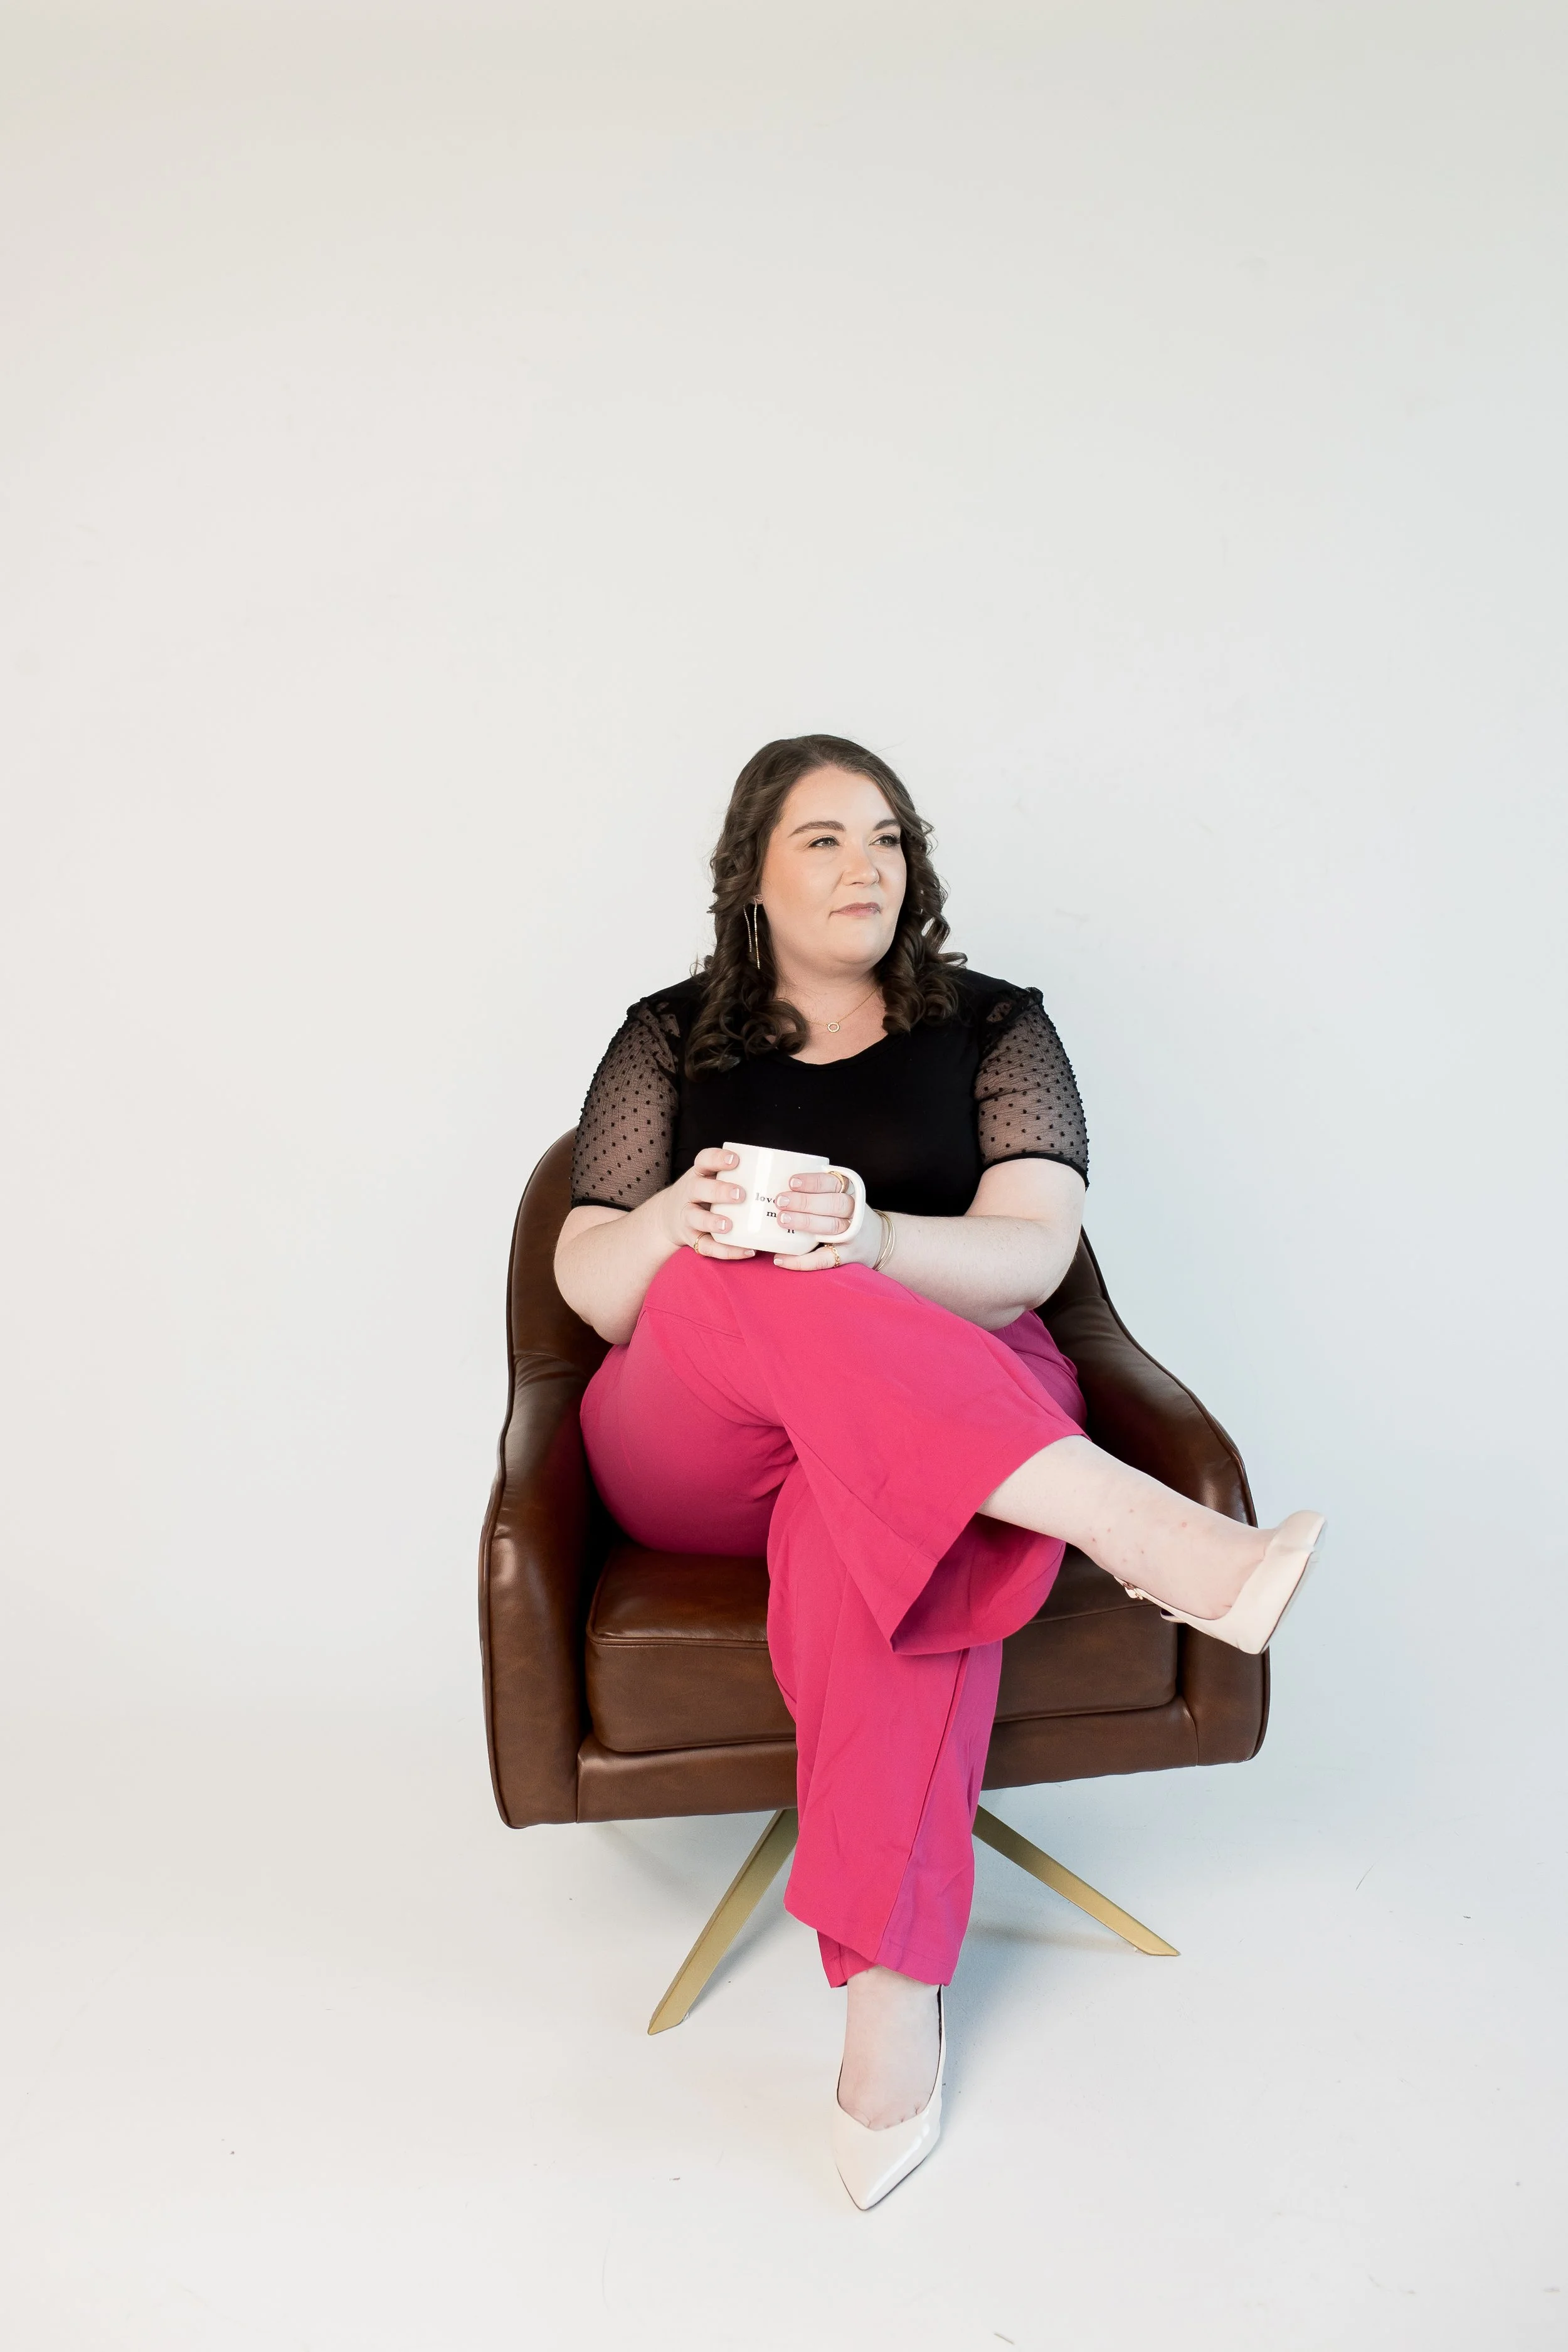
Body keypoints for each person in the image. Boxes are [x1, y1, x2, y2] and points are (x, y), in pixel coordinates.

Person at [554, 733, 1323, 2208]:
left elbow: (1035, 1254)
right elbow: (594, 1287)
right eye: (824, 840)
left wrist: (876, 1242)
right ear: (752, 878)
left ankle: (890, 1995)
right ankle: (1144, 1530)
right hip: (697, 1429)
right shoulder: (664, 1039)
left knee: (877, 1541)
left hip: (937, 1406)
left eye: (887, 839)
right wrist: (680, 1220)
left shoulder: (994, 1027)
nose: (864, 868)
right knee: (735, 1282)